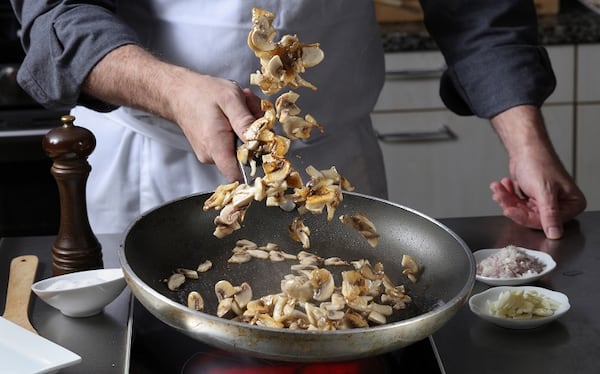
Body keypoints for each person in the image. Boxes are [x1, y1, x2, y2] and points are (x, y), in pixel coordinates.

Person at [10, 0, 585, 239]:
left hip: (335, 172)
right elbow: (57, 16)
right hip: (155, 162)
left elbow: (478, 7)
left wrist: (526, 142)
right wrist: (172, 89)